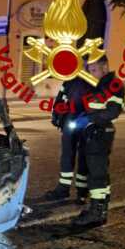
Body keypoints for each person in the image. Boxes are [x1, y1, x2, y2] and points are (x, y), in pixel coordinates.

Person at [72, 56, 125, 227]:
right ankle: (100, 210)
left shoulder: (114, 84)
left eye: (94, 70)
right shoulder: (99, 85)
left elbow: (113, 111)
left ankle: (96, 212)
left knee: (96, 175)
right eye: (89, 70)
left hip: (100, 133)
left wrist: (89, 119)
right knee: (98, 172)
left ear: (105, 67)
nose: (91, 73)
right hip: (94, 132)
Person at [43, 76, 92, 204]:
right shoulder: (70, 81)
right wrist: (56, 116)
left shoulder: (94, 80)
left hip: (87, 123)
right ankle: (63, 189)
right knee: (67, 156)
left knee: (84, 158)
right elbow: (60, 98)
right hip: (70, 122)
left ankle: (82, 192)